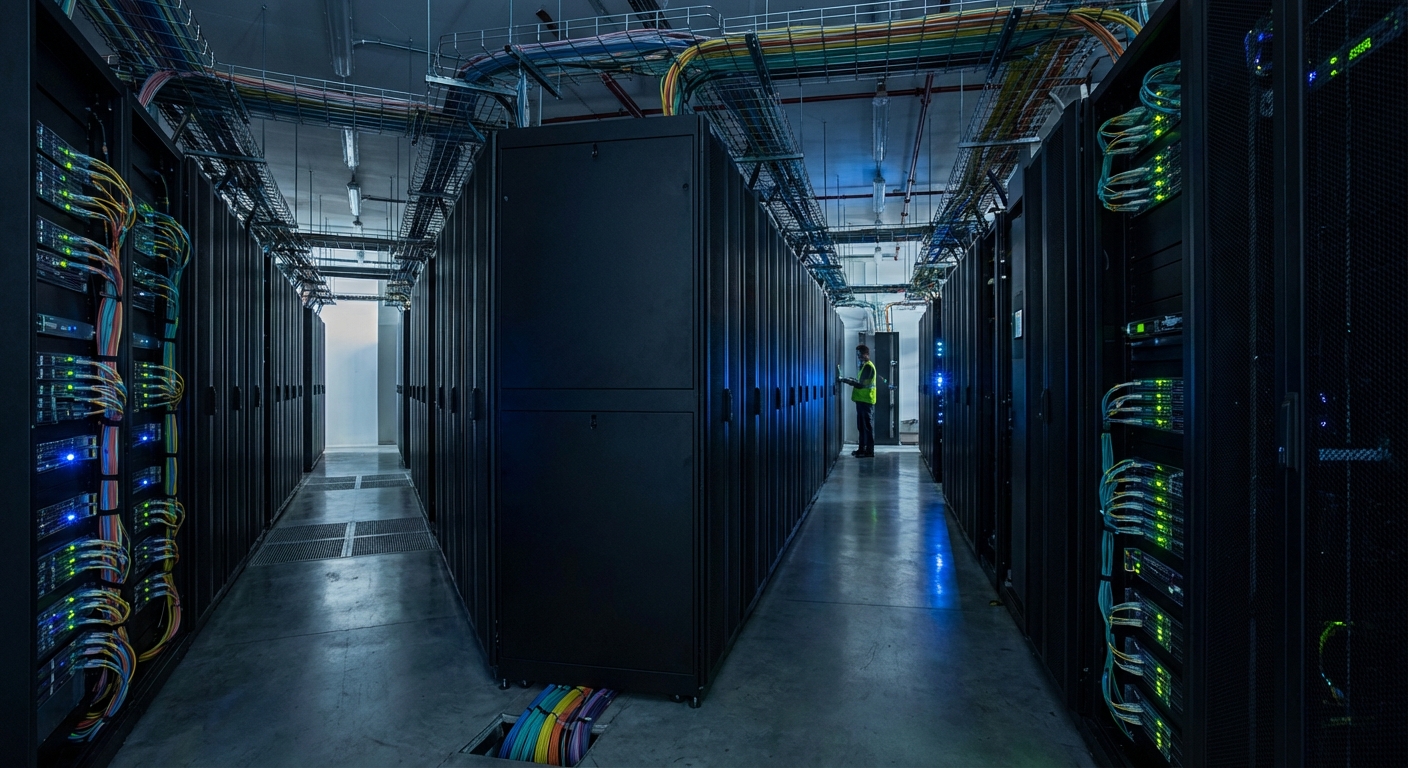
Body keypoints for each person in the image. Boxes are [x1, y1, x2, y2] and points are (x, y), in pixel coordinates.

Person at [838, 344, 877, 458]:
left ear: (866, 354)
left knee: (866, 427)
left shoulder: (869, 367)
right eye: (858, 354)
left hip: (866, 401)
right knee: (861, 427)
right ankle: (861, 449)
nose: (859, 356)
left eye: (860, 354)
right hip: (861, 401)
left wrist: (844, 380)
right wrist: (849, 379)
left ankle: (869, 451)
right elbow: (860, 381)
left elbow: (860, 385)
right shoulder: (864, 366)